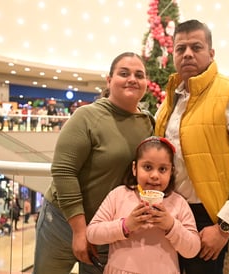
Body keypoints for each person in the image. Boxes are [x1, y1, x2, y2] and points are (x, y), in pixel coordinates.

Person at [154, 19, 229, 274]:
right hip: (167, 212)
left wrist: (223, 227)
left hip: (207, 219)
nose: (188, 54)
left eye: (196, 47)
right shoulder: (170, 99)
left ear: (211, 53)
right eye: (180, 49)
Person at [33, 52, 153, 274]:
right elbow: (63, 171)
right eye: (124, 73)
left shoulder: (148, 123)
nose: (132, 79)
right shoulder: (86, 116)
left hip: (107, 229)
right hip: (62, 223)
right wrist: (79, 231)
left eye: (139, 74)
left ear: (146, 82)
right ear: (109, 80)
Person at [87, 136, 201, 273]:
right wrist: (125, 225)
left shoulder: (178, 203)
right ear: (135, 168)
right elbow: (92, 233)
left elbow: (192, 249)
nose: (154, 175)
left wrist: (171, 225)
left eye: (163, 169)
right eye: (147, 167)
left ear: (171, 172)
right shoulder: (118, 195)